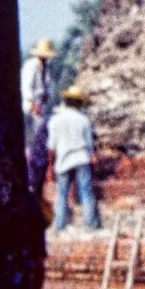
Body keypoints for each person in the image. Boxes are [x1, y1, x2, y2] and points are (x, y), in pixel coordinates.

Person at [48, 86, 101, 233]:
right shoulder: (84, 120)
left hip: (63, 160)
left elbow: (51, 147)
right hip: (81, 158)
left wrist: (50, 166)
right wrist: (92, 158)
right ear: (78, 103)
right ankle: (90, 224)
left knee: (62, 193)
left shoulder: (55, 120)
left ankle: (59, 225)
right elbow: (90, 145)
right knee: (86, 192)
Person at [21, 37, 56, 204]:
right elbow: (26, 88)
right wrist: (33, 104)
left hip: (41, 106)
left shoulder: (45, 67)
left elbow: (46, 87)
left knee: (41, 135)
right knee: (34, 139)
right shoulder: (30, 66)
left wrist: (45, 98)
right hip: (30, 106)